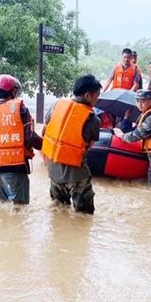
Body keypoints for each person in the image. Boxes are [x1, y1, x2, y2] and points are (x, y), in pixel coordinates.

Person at [0, 74, 42, 205]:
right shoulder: (21, 109)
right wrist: (47, 145)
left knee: (3, 206)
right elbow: (30, 137)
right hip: (14, 167)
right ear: (13, 91)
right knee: (20, 208)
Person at [42, 74, 102, 214]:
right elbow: (89, 146)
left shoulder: (56, 106)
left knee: (58, 211)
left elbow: (44, 131)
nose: (97, 100)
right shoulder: (93, 119)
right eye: (97, 96)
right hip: (76, 175)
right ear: (88, 95)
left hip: (53, 170)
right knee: (84, 216)